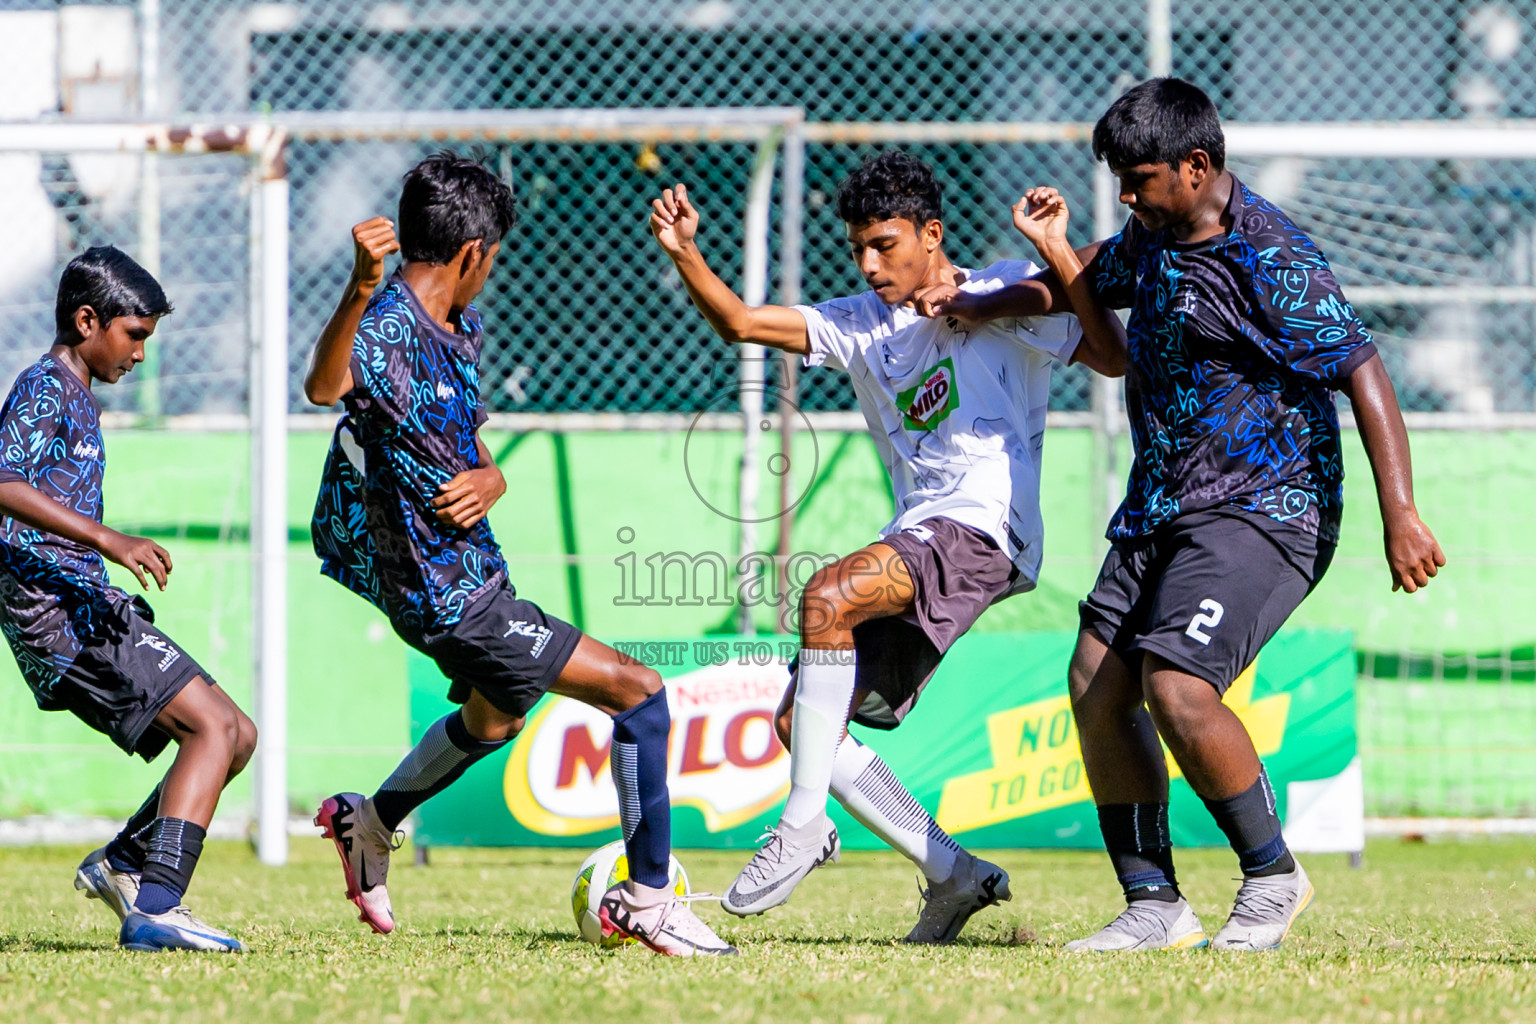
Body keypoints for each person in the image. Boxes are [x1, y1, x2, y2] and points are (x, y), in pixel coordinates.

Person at [919, 78, 1446, 952]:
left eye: (1139, 178)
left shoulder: (1272, 257)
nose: (1126, 195)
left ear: (1197, 167)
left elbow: (1364, 369)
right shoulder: (1155, 235)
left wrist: (1403, 513)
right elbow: (1083, 278)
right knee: (1095, 683)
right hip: (1165, 503)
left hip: (1268, 506)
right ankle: (1153, 904)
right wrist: (981, 302)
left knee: (1176, 682)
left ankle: (1273, 880)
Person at [649, 150, 1125, 942]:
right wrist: (687, 253)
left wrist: (1040, 262)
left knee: (825, 596)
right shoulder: (859, 324)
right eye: (859, 248)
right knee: (805, 724)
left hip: (982, 525)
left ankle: (802, 826)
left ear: (931, 235)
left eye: (887, 245)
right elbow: (740, 321)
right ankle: (952, 876)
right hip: (918, 532)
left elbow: (1110, 356)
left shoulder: (997, 291)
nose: (871, 264)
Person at [305, 153, 733, 957]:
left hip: (471, 569)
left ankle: (373, 822)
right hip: (444, 592)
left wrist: (493, 475)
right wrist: (359, 288)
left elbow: (459, 441)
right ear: (474, 253)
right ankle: (650, 900)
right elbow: (325, 388)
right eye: (492, 260)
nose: (491, 275)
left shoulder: (458, 329)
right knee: (639, 695)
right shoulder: (387, 323)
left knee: (496, 716)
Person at [0, 246, 255, 953]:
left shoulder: (79, 395)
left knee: (236, 734)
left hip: (91, 607)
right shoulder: (45, 387)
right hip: (59, 622)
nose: (141, 353)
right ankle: (158, 908)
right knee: (210, 729)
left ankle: (122, 863)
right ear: (88, 320)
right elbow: (3, 481)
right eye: (134, 335)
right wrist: (108, 538)